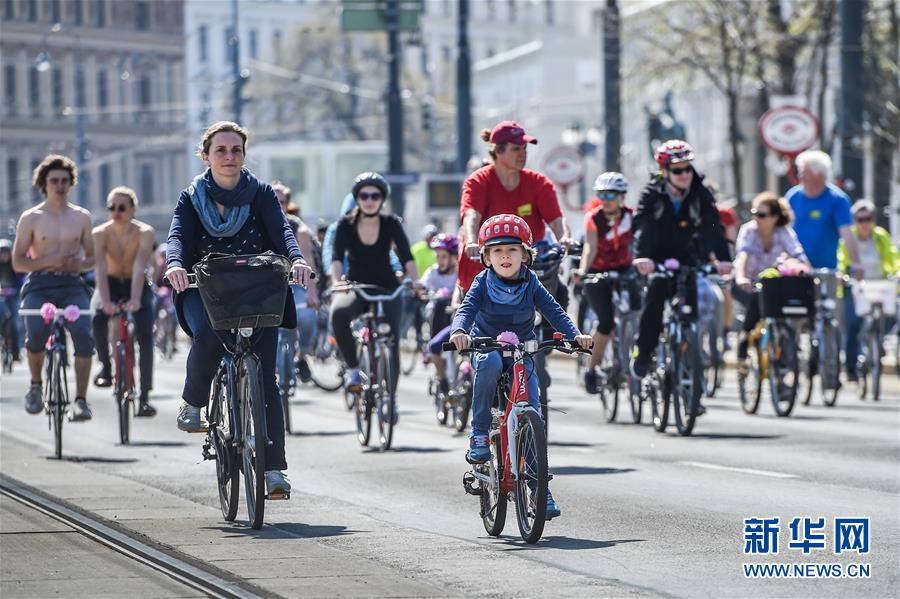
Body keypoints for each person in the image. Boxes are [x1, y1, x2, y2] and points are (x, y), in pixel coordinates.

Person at [165, 121, 313, 497]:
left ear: (244, 155)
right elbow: (178, 235)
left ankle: (274, 471)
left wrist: (295, 259)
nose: (229, 156)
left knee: (267, 381)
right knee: (209, 335)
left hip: (256, 287)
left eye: (236, 150)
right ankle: (194, 403)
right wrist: (175, 264)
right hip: (206, 287)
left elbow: (282, 232)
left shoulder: (260, 193)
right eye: (221, 150)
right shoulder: (191, 197)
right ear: (206, 156)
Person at [449, 215, 592, 520]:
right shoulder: (481, 282)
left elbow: (554, 310)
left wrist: (575, 335)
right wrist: (460, 332)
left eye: (512, 250)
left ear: (526, 254)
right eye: (497, 251)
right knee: (487, 363)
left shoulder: (531, 282)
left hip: (521, 351)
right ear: (486, 256)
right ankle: (478, 434)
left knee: (532, 414)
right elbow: (466, 309)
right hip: (487, 346)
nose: (505, 257)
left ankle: (540, 488)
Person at [629, 140, 732, 404]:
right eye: (677, 170)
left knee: (691, 316)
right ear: (664, 171)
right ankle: (643, 353)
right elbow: (642, 224)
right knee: (655, 302)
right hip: (657, 257)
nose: (684, 175)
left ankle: (691, 391)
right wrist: (643, 256)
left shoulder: (700, 192)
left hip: (688, 256)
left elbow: (713, 225)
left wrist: (723, 259)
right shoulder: (653, 193)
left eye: (687, 168)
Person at [329, 172, 420, 420]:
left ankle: (390, 398)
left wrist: (414, 281)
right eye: (364, 195)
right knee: (338, 313)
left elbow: (407, 257)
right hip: (357, 286)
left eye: (375, 195)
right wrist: (338, 282)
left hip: (388, 287)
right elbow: (336, 258)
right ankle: (354, 371)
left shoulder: (391, 223)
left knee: (391, 342)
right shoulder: (345, 224)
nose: (369, 200)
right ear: (357, 198)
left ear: (382, 199)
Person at [12, 154, 95, 420]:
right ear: (44, 184)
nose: (59, 185)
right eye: (54, 180)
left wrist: (78, 265)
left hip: (72, 284)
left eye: (64, 180)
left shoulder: (81, 217)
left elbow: (92, 258)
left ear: (70, 183)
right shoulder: (31, 217)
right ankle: (36, 385)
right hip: (40, 284)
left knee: (84, 334)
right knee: (35, 332)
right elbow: (17, 262)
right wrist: (46, 260)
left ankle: (81, 400)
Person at [458, 120, 574, 293]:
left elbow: (556, 219)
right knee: (470, 316)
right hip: (482, 268)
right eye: (516, 149)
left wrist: (564, 238)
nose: (523, 154)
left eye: (524, 148)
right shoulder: (478, 181)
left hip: (527, 266)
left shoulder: (539, 183)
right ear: (498, 151)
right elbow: (471, 216)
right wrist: (472, 242)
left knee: (560, 294)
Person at [91, 186, 157, 417]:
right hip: (110, 282)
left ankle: (145, 397)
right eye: (111, 207)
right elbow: (99, 267)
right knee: (98, 319)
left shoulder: (144, 232)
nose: (116, 212)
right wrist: (106, 301)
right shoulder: (100, 233)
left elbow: (141, 266)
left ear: (133, 210)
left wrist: (137, 299)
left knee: (145, 335)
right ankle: (106, 369)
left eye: (121, 207)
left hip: (136, 283)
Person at [573, 172, 640, 394]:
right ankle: (591, 370)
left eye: (612, 194)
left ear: (622, 196)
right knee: (605, 323)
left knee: (639, 312)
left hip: (625, 270)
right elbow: (590, 248)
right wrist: (583, 271)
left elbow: (640, 243)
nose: (606, 199)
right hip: (597, 272)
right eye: (602, 194)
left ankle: (638, 359)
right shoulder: (593, 218)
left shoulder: (633, 216)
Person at [732, 192, 809, 364]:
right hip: (745, 282)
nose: (756, 218)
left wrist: (800, 267)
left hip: (771, 284)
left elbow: (797, 254)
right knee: (756, 297)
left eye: (762, 215)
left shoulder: (783, 233)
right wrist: (740, 277)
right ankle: (744, 338)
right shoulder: (748, 231)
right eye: (754, 213)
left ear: (775, 217)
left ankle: (784, 350)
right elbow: (743, 255)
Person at [838, 199, 900, 381]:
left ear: (873, 219)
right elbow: (842, 259)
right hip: (856, 288)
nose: (864, 223)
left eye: (868, 218)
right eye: (860, 219)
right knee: (853, 324)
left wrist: (897, 272)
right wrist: (842, 274)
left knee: (885, 320)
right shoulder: (849, 238)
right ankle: (850, 368)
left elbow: (894, 256)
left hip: (879, 286)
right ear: (854, 221)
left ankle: (876, 354)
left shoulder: (880, 236)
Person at [272, 181, 320, 382]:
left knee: (308, 316)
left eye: (281, 202)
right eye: (273, 201)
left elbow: (308, 259)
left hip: (295, 284)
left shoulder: (299, 228)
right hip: (268, 286)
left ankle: (302, 355)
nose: (278, 206)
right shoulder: (255, 223)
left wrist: (311, 292)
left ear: (287, 204)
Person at [786, 150, 862, 275]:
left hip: (826, 270)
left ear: (819, 175)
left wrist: (856, 262)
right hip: (795, 269)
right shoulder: (792, 197)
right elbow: (783, 230)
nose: (800, 177)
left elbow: (847, 233)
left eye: (805, 173)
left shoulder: (837, 199)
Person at [421, 233, 459, 395]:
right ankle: (442, 378)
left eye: (444, 256)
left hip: (453, 317)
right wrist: (418, 289)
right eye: (438, 256)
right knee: (432, 307)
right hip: (437, 315)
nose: (440, 260)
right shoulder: (433, 272)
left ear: (454, 257)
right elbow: (423, 284)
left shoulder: (459, 274)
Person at [0, 239, 24, 362]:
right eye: (1, 252)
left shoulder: (15, 265)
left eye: (6, 252)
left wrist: (15, 290)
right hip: (1, 297)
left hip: (13, 296)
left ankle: (16, 352)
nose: (3, 255)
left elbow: (22, 280)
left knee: (15, 322)